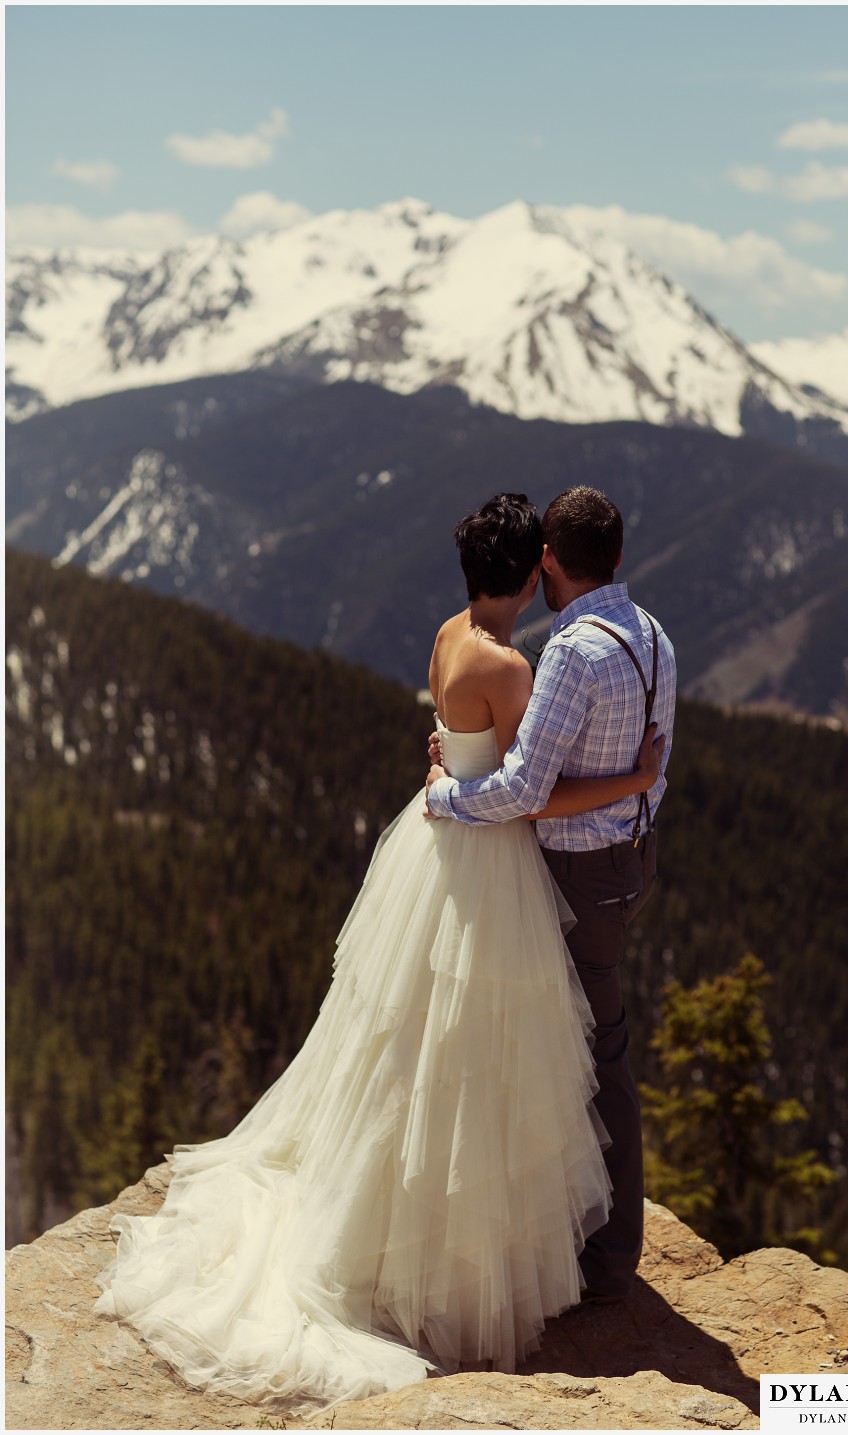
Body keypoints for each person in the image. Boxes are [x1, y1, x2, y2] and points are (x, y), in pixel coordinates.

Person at [94, 492, 663, 1414]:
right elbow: (524, 793)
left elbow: (463, 745)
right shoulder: (516, 666)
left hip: (436, 852)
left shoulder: (448, 635)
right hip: (490, 860)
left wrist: (444, 769)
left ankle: (393, 1210)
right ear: (530, 574)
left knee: (411, 1037)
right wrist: (638, 777)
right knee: (485, 1046)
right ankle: (475, 1240)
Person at [427, 485, 677, 1305]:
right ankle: (570, 1225)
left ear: (548, 562)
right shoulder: (652, 637)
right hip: (630, 862)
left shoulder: (568, 654)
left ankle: (605, 1251)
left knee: (591, 1051)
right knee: (572, 1044)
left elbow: (527, 787)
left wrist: (447, 792)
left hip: (577, 875)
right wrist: (640, 781)